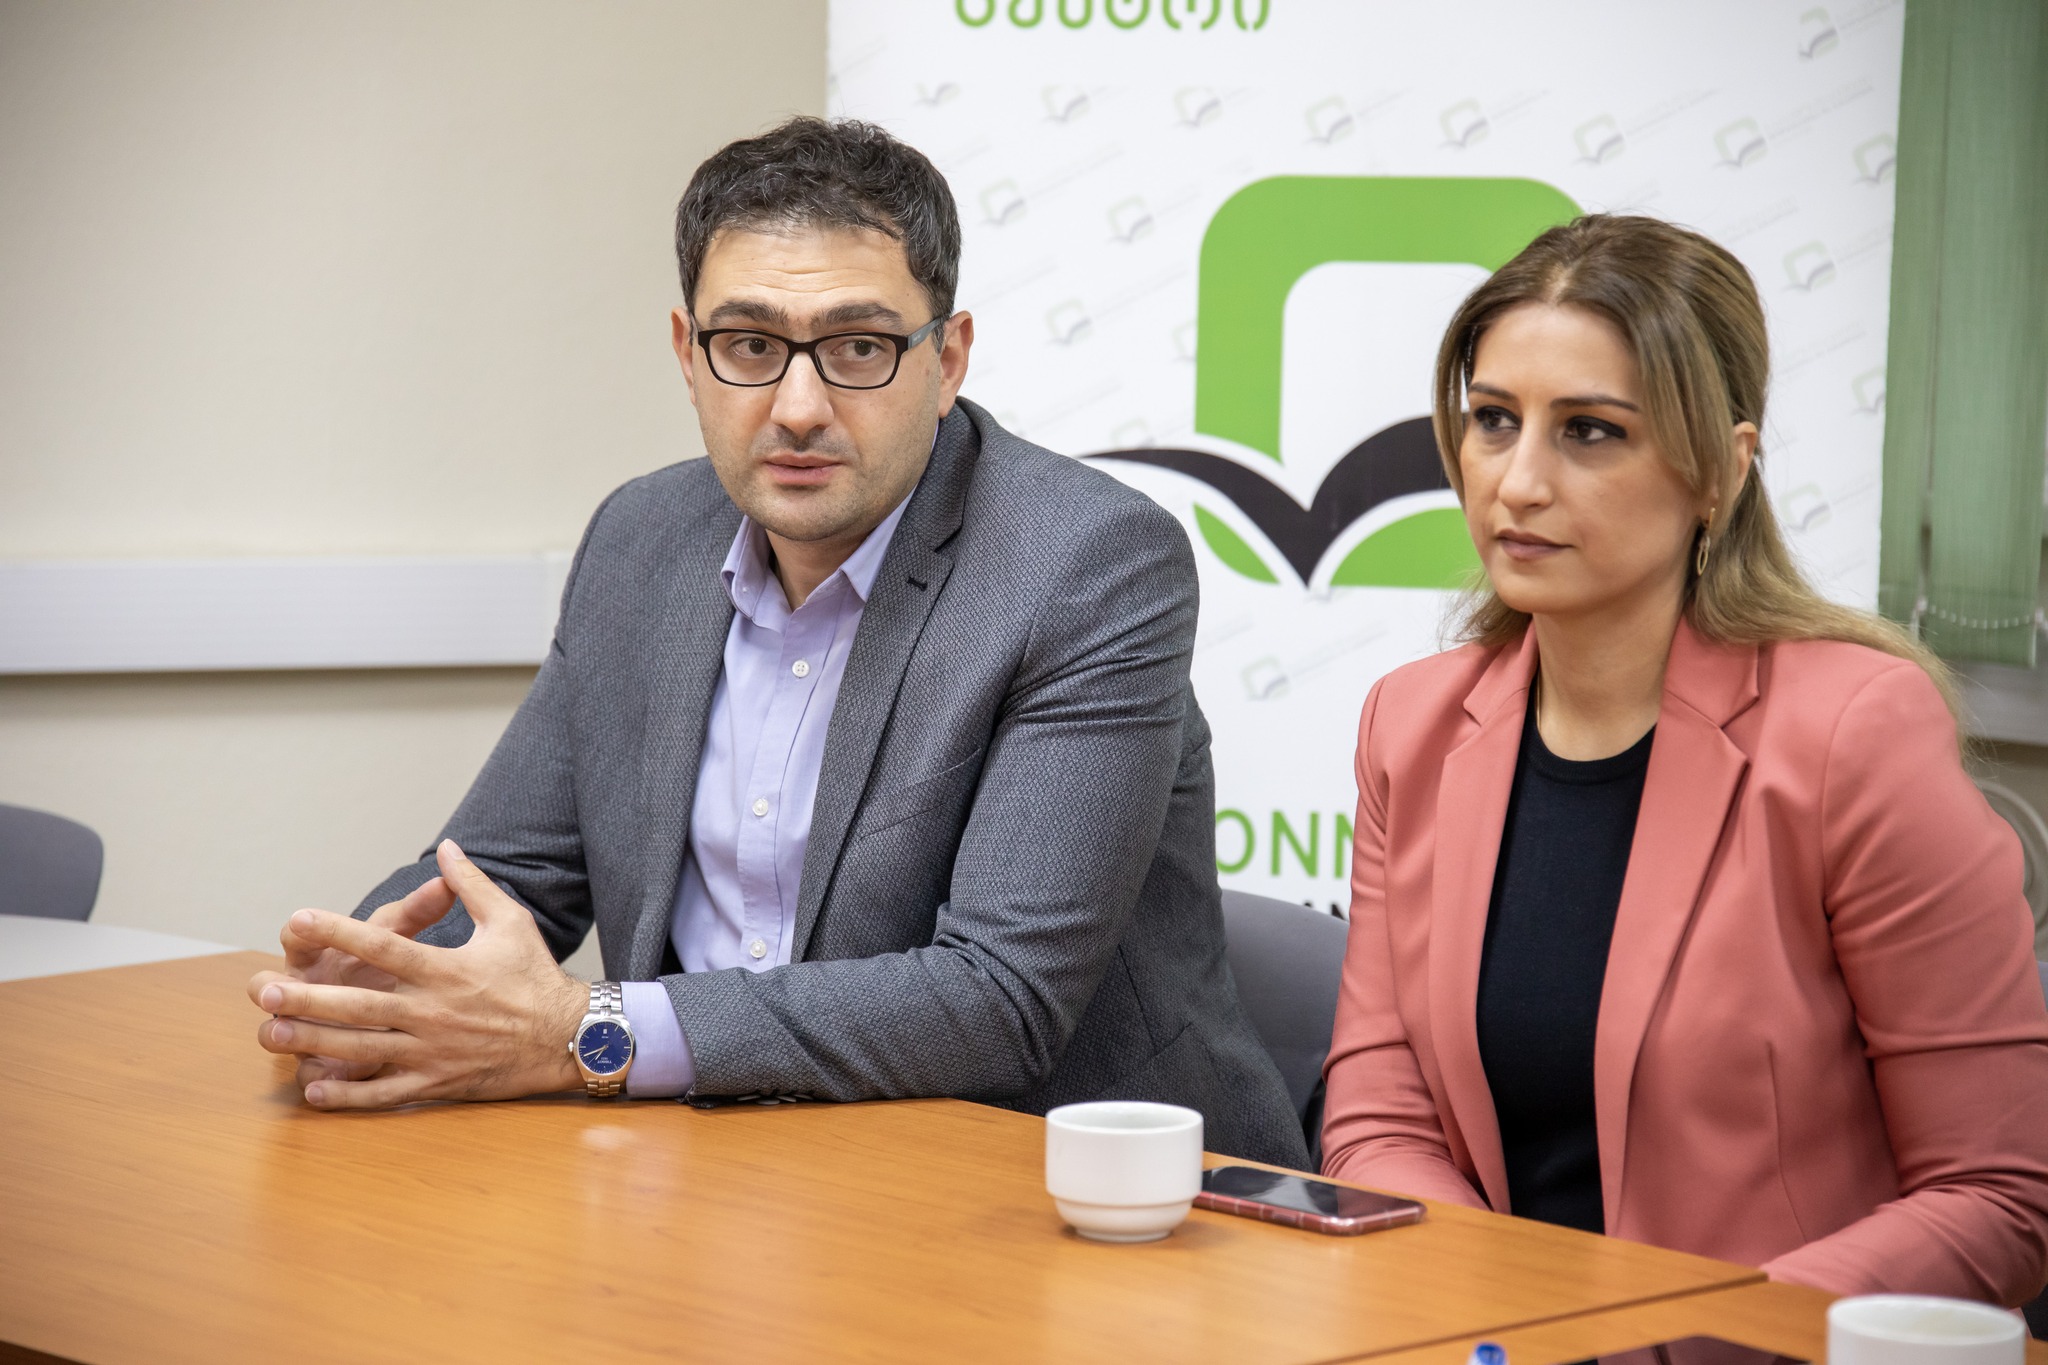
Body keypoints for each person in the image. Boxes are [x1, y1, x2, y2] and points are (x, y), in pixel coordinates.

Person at [245, 116, 1306, 1168]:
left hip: (1051, 1187)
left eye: (858, 348)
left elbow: (998, 997)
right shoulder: (640, 539)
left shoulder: (1085, 564)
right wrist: (379, 984)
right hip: (709, 1167)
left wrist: (585, 1032)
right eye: (750, 346)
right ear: (688, 355)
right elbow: (509, 874)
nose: (798, 408)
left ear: (946, 361)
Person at [1321, 213, 2048, 1301]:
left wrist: (1668, 1332)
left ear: (1720, 468)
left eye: (1590, 431)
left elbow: (1998, 1197)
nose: (1517, 482)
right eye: (1493, 420)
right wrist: (1504, 1316)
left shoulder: (1854, 731)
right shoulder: (1410, 724)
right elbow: (1378, 1119)